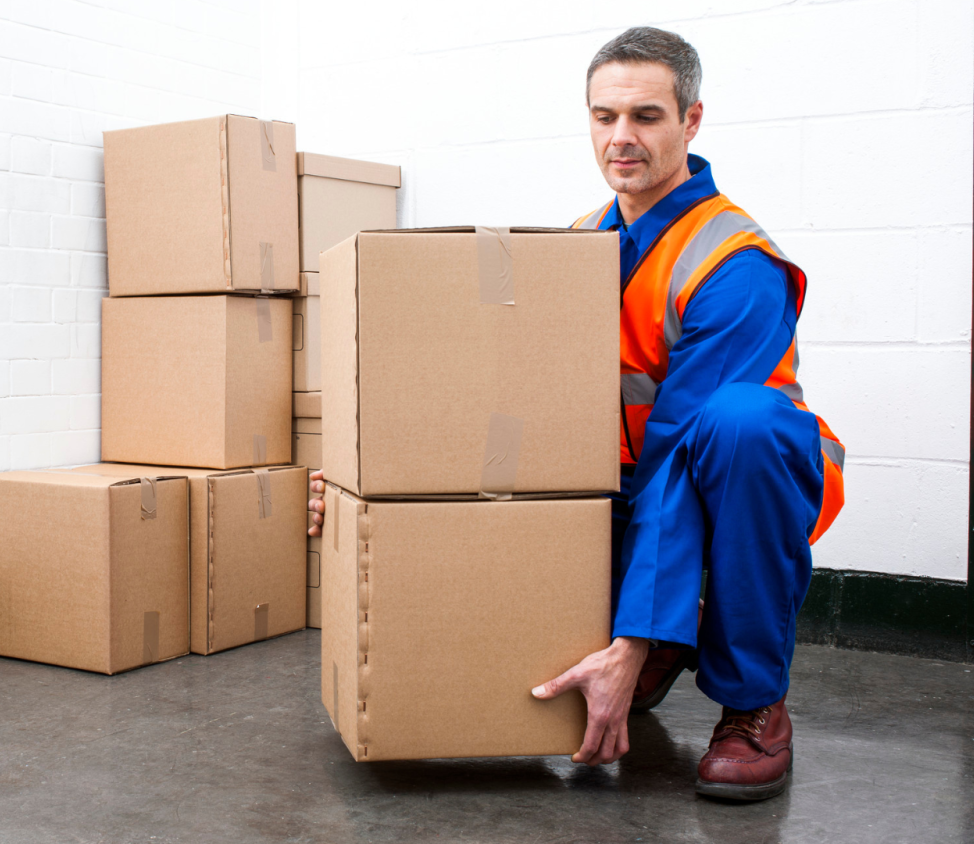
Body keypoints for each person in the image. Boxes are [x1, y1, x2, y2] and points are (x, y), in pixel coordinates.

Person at [308, 26, 844, 802]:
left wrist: (632, 639)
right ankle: (665, 640)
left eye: (646, 116)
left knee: (740, 423)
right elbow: (509, 390)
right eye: (604, 116)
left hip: (737, 484)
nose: (621, 137)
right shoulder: (583, 241)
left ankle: (754, 703)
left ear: (691, 121)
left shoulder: (733, 264)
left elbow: (676, 457)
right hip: (624, 484)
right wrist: (367, 476)